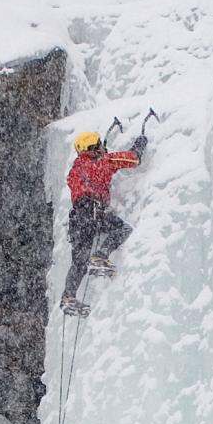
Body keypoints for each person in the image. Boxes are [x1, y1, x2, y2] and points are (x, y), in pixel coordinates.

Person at [61, 130, 147, 315]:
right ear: (94, 149)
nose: (102, 147)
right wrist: (140, 144)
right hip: (93, 212)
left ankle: (68, 297)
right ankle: (100, 256)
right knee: (122, 229)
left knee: (79, 262)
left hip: (77, 219)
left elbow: (86, 179)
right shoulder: (103, 162)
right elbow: (132, 159)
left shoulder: (75, 169)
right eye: (99, 145)